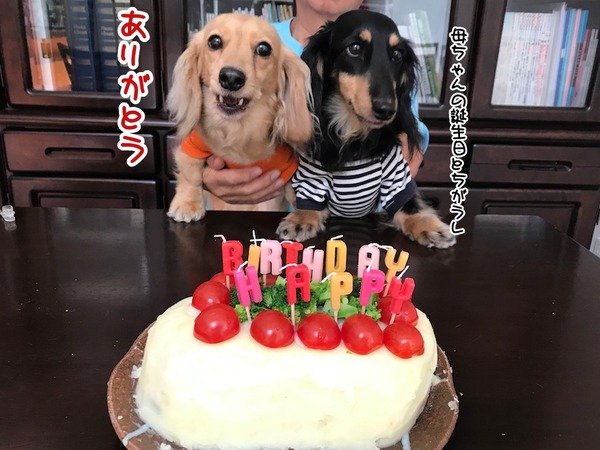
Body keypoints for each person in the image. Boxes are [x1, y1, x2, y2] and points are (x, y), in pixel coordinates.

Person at [202, 0, 428, 206]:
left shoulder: (388, 51)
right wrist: (205, 176)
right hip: (265, 225)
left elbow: (409, 145)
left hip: (363, 228)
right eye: (355, 49)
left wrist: (408, 147)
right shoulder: (254, 39)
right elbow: (200, 134)